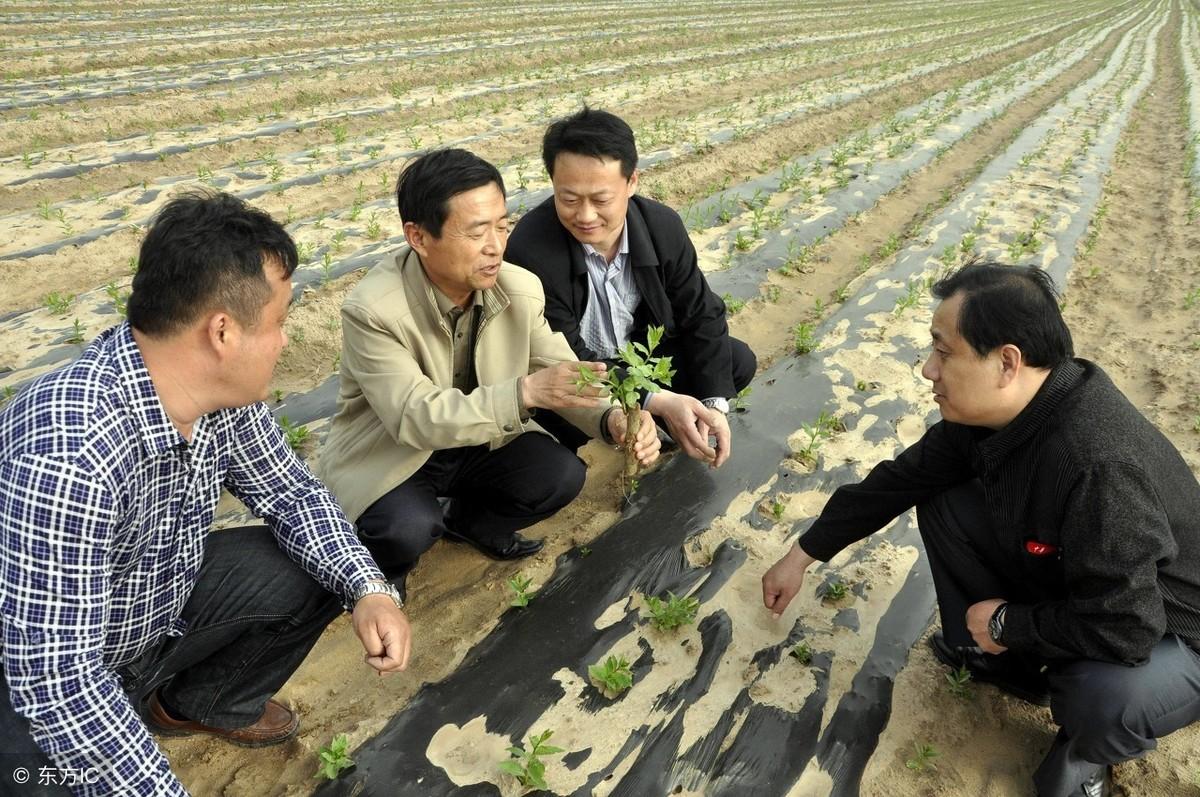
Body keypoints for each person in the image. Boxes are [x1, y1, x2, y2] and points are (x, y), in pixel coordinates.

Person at [0, 191, 411, 797]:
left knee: (311, 564)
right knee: (47, 778)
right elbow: (59, 678)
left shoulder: (220, 401)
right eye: (278, 322)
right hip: (34, 673)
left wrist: (369, 590)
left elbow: (294, 495)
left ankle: (196, 702)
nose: (283, 341)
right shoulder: (70, 453)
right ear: (222, 331)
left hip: (142, 623)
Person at [760, 262, 1200, 797]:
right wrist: (802, 554)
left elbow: (1127, 629)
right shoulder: (1000, 414)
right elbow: (899, 481)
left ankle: (1086, 760)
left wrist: (1008, 623)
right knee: (943, 500)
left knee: (1101, 699)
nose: (928, 370)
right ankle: (1013, 670)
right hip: (1099, 584)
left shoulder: (1096, 463)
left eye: (944, 353)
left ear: (1007, 362)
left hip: (1175, 629)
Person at [318, 148, 658, 597]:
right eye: (477, 232)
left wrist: (612, 417)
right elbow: (414, 418)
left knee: (558, 474)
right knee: (405, 528)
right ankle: (383, 573)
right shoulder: (374, 310)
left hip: (479, 436)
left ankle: (472, 524)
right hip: (395, 452)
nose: (496, 246)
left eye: (502, 225)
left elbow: (560, 368)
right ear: (418, 237)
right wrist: (524, 393)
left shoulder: (518, 287)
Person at [505, 107, 755, 469]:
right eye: (569, 199)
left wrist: (712, 405)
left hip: (642, 361)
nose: (585, 216)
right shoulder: (532, 249)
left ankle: (673, 423)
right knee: (560, 431)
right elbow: (566, 355)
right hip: (579, 377)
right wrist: (654, 399)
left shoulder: (661, 227)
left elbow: (702, 312)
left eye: (601, 199)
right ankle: (620, 429)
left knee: (734, 361)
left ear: (632, 182)